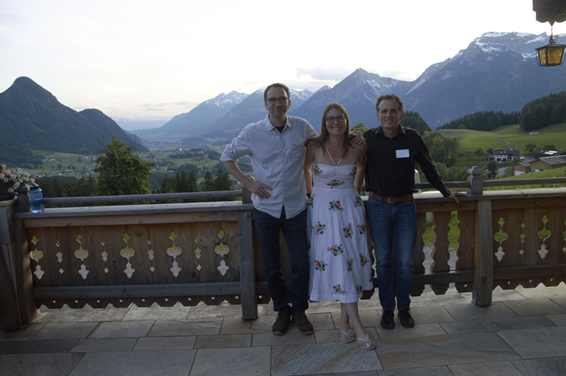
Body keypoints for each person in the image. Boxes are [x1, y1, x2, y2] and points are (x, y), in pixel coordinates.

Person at [221, 83, 364, 335]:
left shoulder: (302, 127)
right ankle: (282, 312)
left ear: (289, 102)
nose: (277, 103)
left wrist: (355, 135)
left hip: (297, 207)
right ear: (265, 103)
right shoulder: (253, 132)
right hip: (266, 207)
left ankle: (299, 310)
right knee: (272, 266)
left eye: (282, 99)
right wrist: (248, 183)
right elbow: (227, 156)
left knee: (301, 263)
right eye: (272, 99)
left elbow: (327, 137)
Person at [364, 94, 466, 330]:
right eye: (384, 111)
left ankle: (404, 309)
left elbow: (428, 167)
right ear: (377, 115)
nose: (388, 115)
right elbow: (352, 163)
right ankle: (387, 310)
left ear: (401, 113)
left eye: (393, 111)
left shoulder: (412, 137)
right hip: (378, 206)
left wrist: (445, 191)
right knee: (383, 264)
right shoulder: (367, 138)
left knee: (406, 262)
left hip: (405, 207)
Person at [304, 103, 375, 350]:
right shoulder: (313, 145)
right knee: (336, 261)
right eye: (330, 118)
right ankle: (356, 326)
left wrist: (354, 190)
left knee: (350, 260)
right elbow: (305, 168)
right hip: (322, 211)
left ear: (347, 120)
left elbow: (362, 167)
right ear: (324, 122)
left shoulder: (358, 145)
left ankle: (346, 323)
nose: (335, 122)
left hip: (349, 208)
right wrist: (310, 193)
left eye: (340, 118)